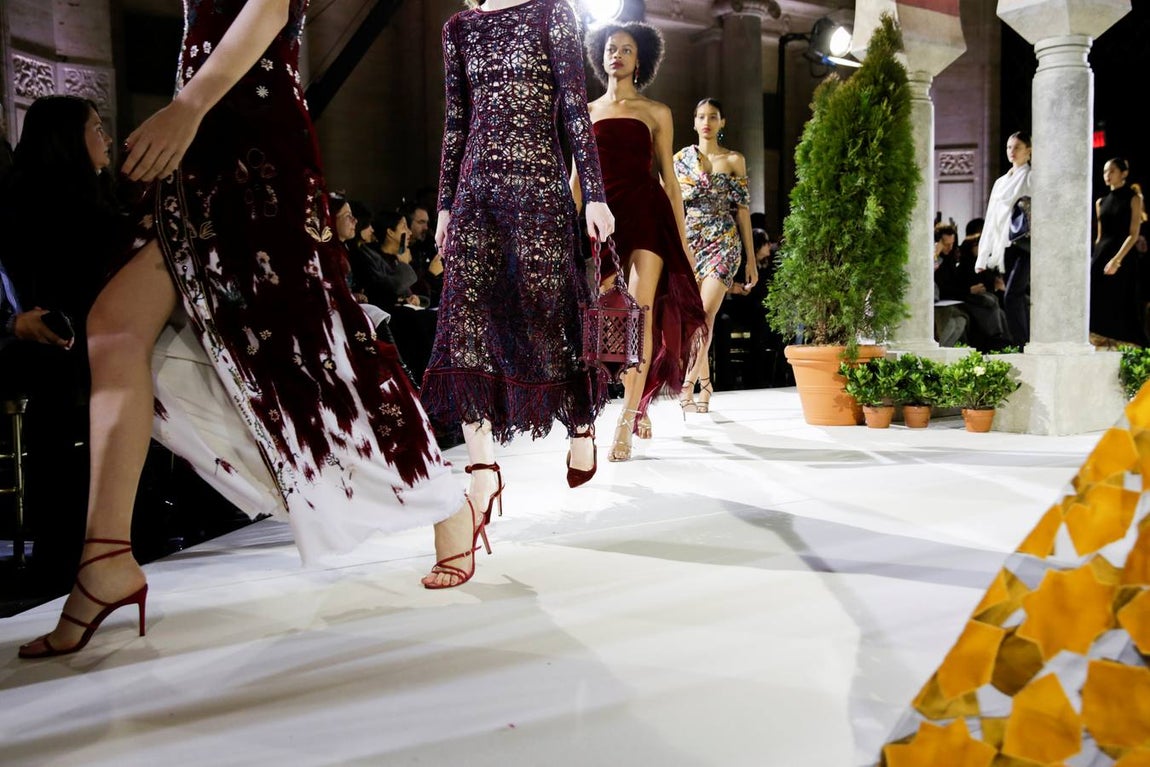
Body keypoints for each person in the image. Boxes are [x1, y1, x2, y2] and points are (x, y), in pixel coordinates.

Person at [17, 0, 466, 660]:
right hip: (203, 137)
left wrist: (188, 106)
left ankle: (443, 496)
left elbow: (268, 6)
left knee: (312, 345)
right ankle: (105, 553)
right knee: (113, 325)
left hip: (252, 136)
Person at [421, 0, 614, 588]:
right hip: (477, 193)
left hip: (538, 190)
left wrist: (597, 195)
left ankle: (581, 421)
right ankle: (482, 472)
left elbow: (575, 111)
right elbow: (457, 120)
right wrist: (445, 205)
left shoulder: (553, 13)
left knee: (549, 315)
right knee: (462, 322)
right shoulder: (459, 28)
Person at [0, 95, 126, 593]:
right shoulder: (27, 200)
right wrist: (13, 323)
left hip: (93, 345)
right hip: (50, 347)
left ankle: (102, 551)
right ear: (67, 139)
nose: (107, 138)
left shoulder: (96, 195)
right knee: (65, 452)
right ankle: (68, 564)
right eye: (96, 128)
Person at [576, 21, 706, 462]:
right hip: (605, 220)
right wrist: (559, 227)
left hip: (647, 213)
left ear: (640, 59)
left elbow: (670, 182)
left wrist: (683, 239)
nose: (617, 55)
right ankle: (640, 398)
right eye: (611, 49)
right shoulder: (587, 111)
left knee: (640, 310)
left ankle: (626, 418)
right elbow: (577, 180)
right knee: (614, 320)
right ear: (601, 56)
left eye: (626, 50)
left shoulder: (657, 111)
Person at [674, 98, 757, 413]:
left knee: (705, 316)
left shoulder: (735, 159)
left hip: (724, 243)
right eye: (701, 116)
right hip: (691, 245)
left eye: (713, 117)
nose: (706, 121)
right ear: (694, 122)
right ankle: (706, 384)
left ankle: (686, 386)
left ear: (723, 122)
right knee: (694, 321)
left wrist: (750, 260)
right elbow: (670, 203)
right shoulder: (680, 159)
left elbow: (744, 213)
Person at [975, 131, 1032, 346]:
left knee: (1012, 295)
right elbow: (990, 220)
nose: (1012, 151)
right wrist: (982, 256)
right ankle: (1025, 342)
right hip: (1006, 246)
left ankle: (1023, 344)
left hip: (1026, 244)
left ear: (1028, 150)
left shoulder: (1031, 178)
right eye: (1009, 147)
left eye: (1017, 147)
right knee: (1014, 296)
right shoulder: (1000, 183)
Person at [1089, 157, 1147, 348]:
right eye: (1105, 171)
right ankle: (1102, 345)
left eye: (1112, 171)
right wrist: (1093, 260)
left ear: (1124, 173)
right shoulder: (1100, 201)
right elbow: (1100, 236)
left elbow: (1133, 233)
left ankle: (1129, 348)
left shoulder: (1133, 198)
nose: (1107, 175)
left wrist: (1117, 260)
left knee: (1122, 301)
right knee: (1098, 302)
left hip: (1123, 256)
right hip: (1101, 255)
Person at [934, 220, 1010, 349]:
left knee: (990, 302)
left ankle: (1000, 339)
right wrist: (935, 253)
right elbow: (943, 285)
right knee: (982, 305)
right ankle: (995, 340)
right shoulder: (938, 259)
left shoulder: (950, 258)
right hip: (949, 298)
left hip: (957, 296)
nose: (950, 248)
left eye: (952, 244)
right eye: (946, 245)